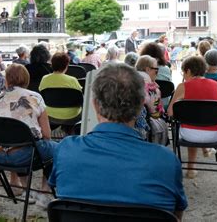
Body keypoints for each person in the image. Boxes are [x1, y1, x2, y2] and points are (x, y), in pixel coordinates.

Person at [49, 64, 187, 219]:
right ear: (141, 104)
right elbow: (176, 214)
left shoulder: (66, 150)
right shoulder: (165, 160)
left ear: (95, 105)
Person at [0, 64, 57, 200]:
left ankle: (21, 186)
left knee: (17, 141)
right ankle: (45, 190)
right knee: (57, 149)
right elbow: (47, 134)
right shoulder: (35, 97)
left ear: (7, 80)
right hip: (23, 155)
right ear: (26, 79)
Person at [167, 56, 217, 178]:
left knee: (192, 123)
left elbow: (170, 112)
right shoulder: (216, 85)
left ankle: (191, 169)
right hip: (215, 134)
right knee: (198, 121)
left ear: (188, 71)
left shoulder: (183, 86)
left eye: (183, 72)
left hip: (190, 134)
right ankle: (204, 152)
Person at [39, 52, 83, 127]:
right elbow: (80, 98)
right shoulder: (73, 80)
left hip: (51, 116)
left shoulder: (45, 79)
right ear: (66, 65)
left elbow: (42, 96)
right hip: (73, 116)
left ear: (52, 65)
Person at [135, 55, 168, 145]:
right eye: (156, 70)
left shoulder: (129, 81)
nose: (157, 73)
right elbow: (155, 111)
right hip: (146, 128)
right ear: (148, 69)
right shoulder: (152, 88)